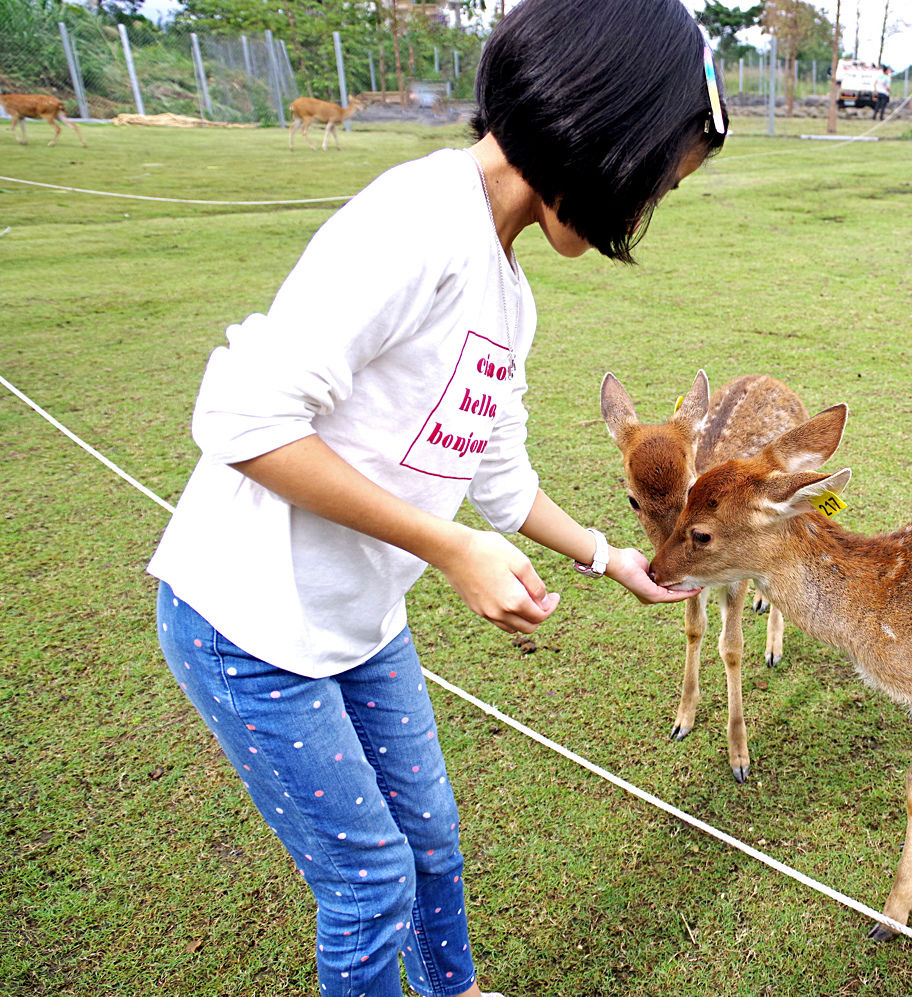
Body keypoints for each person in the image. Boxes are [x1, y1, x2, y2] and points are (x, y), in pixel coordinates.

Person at [148, 2, 725, 995]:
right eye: (653, 183)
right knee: (371, 881)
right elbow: (243, 418)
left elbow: (493, 475)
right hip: (248, 630)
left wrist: (605, 556)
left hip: (359, 622)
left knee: (431, 840)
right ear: (605, 128)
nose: (640, 214)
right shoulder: (416, 221)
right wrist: (446, 547)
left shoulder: (510, 291)